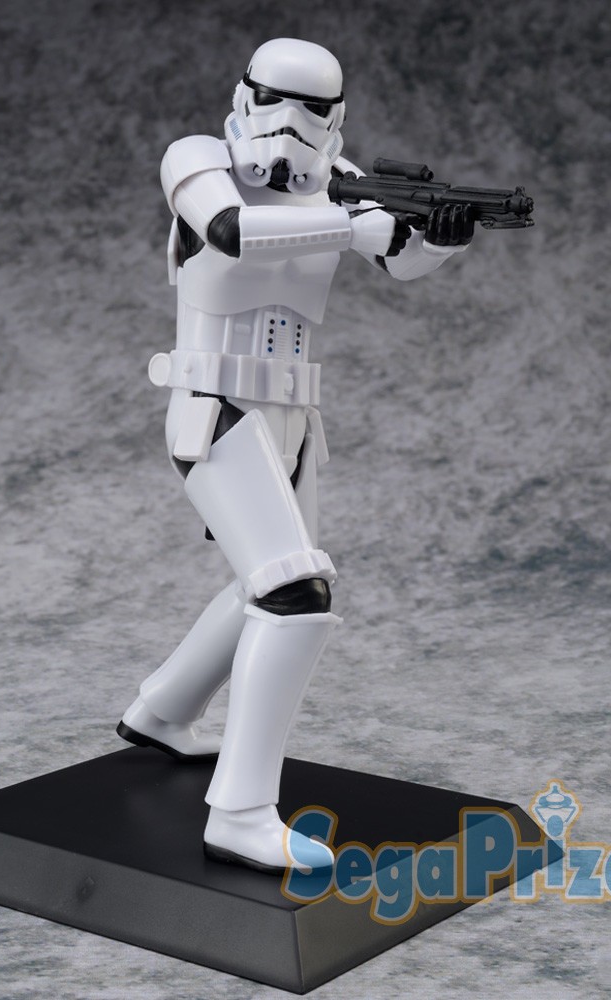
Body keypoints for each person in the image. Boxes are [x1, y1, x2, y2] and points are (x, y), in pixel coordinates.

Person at [117, 37, 473, 873]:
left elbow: (399, 261)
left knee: (267, 584)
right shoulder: (198, 159)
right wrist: (351, 223)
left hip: (295, 418)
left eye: (312, 108)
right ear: (243, 96)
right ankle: (239, 813)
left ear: (336, 117)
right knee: (294, 595)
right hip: (216, 405)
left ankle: (161, 714)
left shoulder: (338, 179)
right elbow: (231, 231)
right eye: (274, 97)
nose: (289, 121)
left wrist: (440, 239)